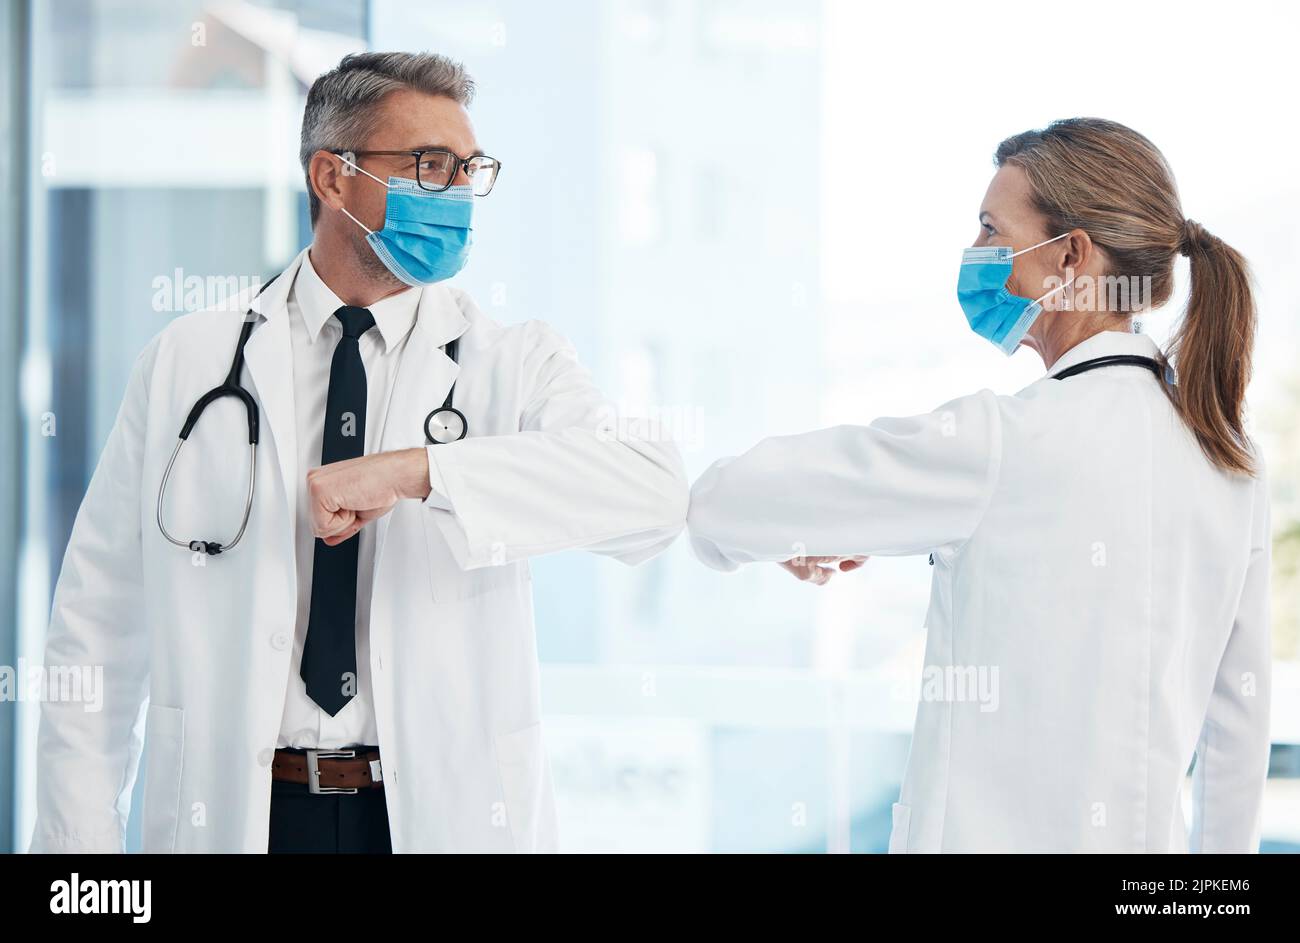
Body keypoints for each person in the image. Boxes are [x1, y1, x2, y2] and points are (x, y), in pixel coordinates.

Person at [30, 52, 687, 854]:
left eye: (468, 170)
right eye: (428, 166)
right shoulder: (189, 361)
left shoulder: (512, 360)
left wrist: (422, 472)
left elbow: (652, 495)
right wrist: (74, 858)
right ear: (332, 179)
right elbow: (96, 627)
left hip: (438, 813)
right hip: (244, 812)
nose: (455, 194)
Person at [687, 118, 1271, 853]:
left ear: (1070, 254)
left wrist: (796, 525)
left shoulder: (1000, 443)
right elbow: (1238, 736)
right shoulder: (1230, 464)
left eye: (993, 230)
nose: (977, 255)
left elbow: (725, 504)